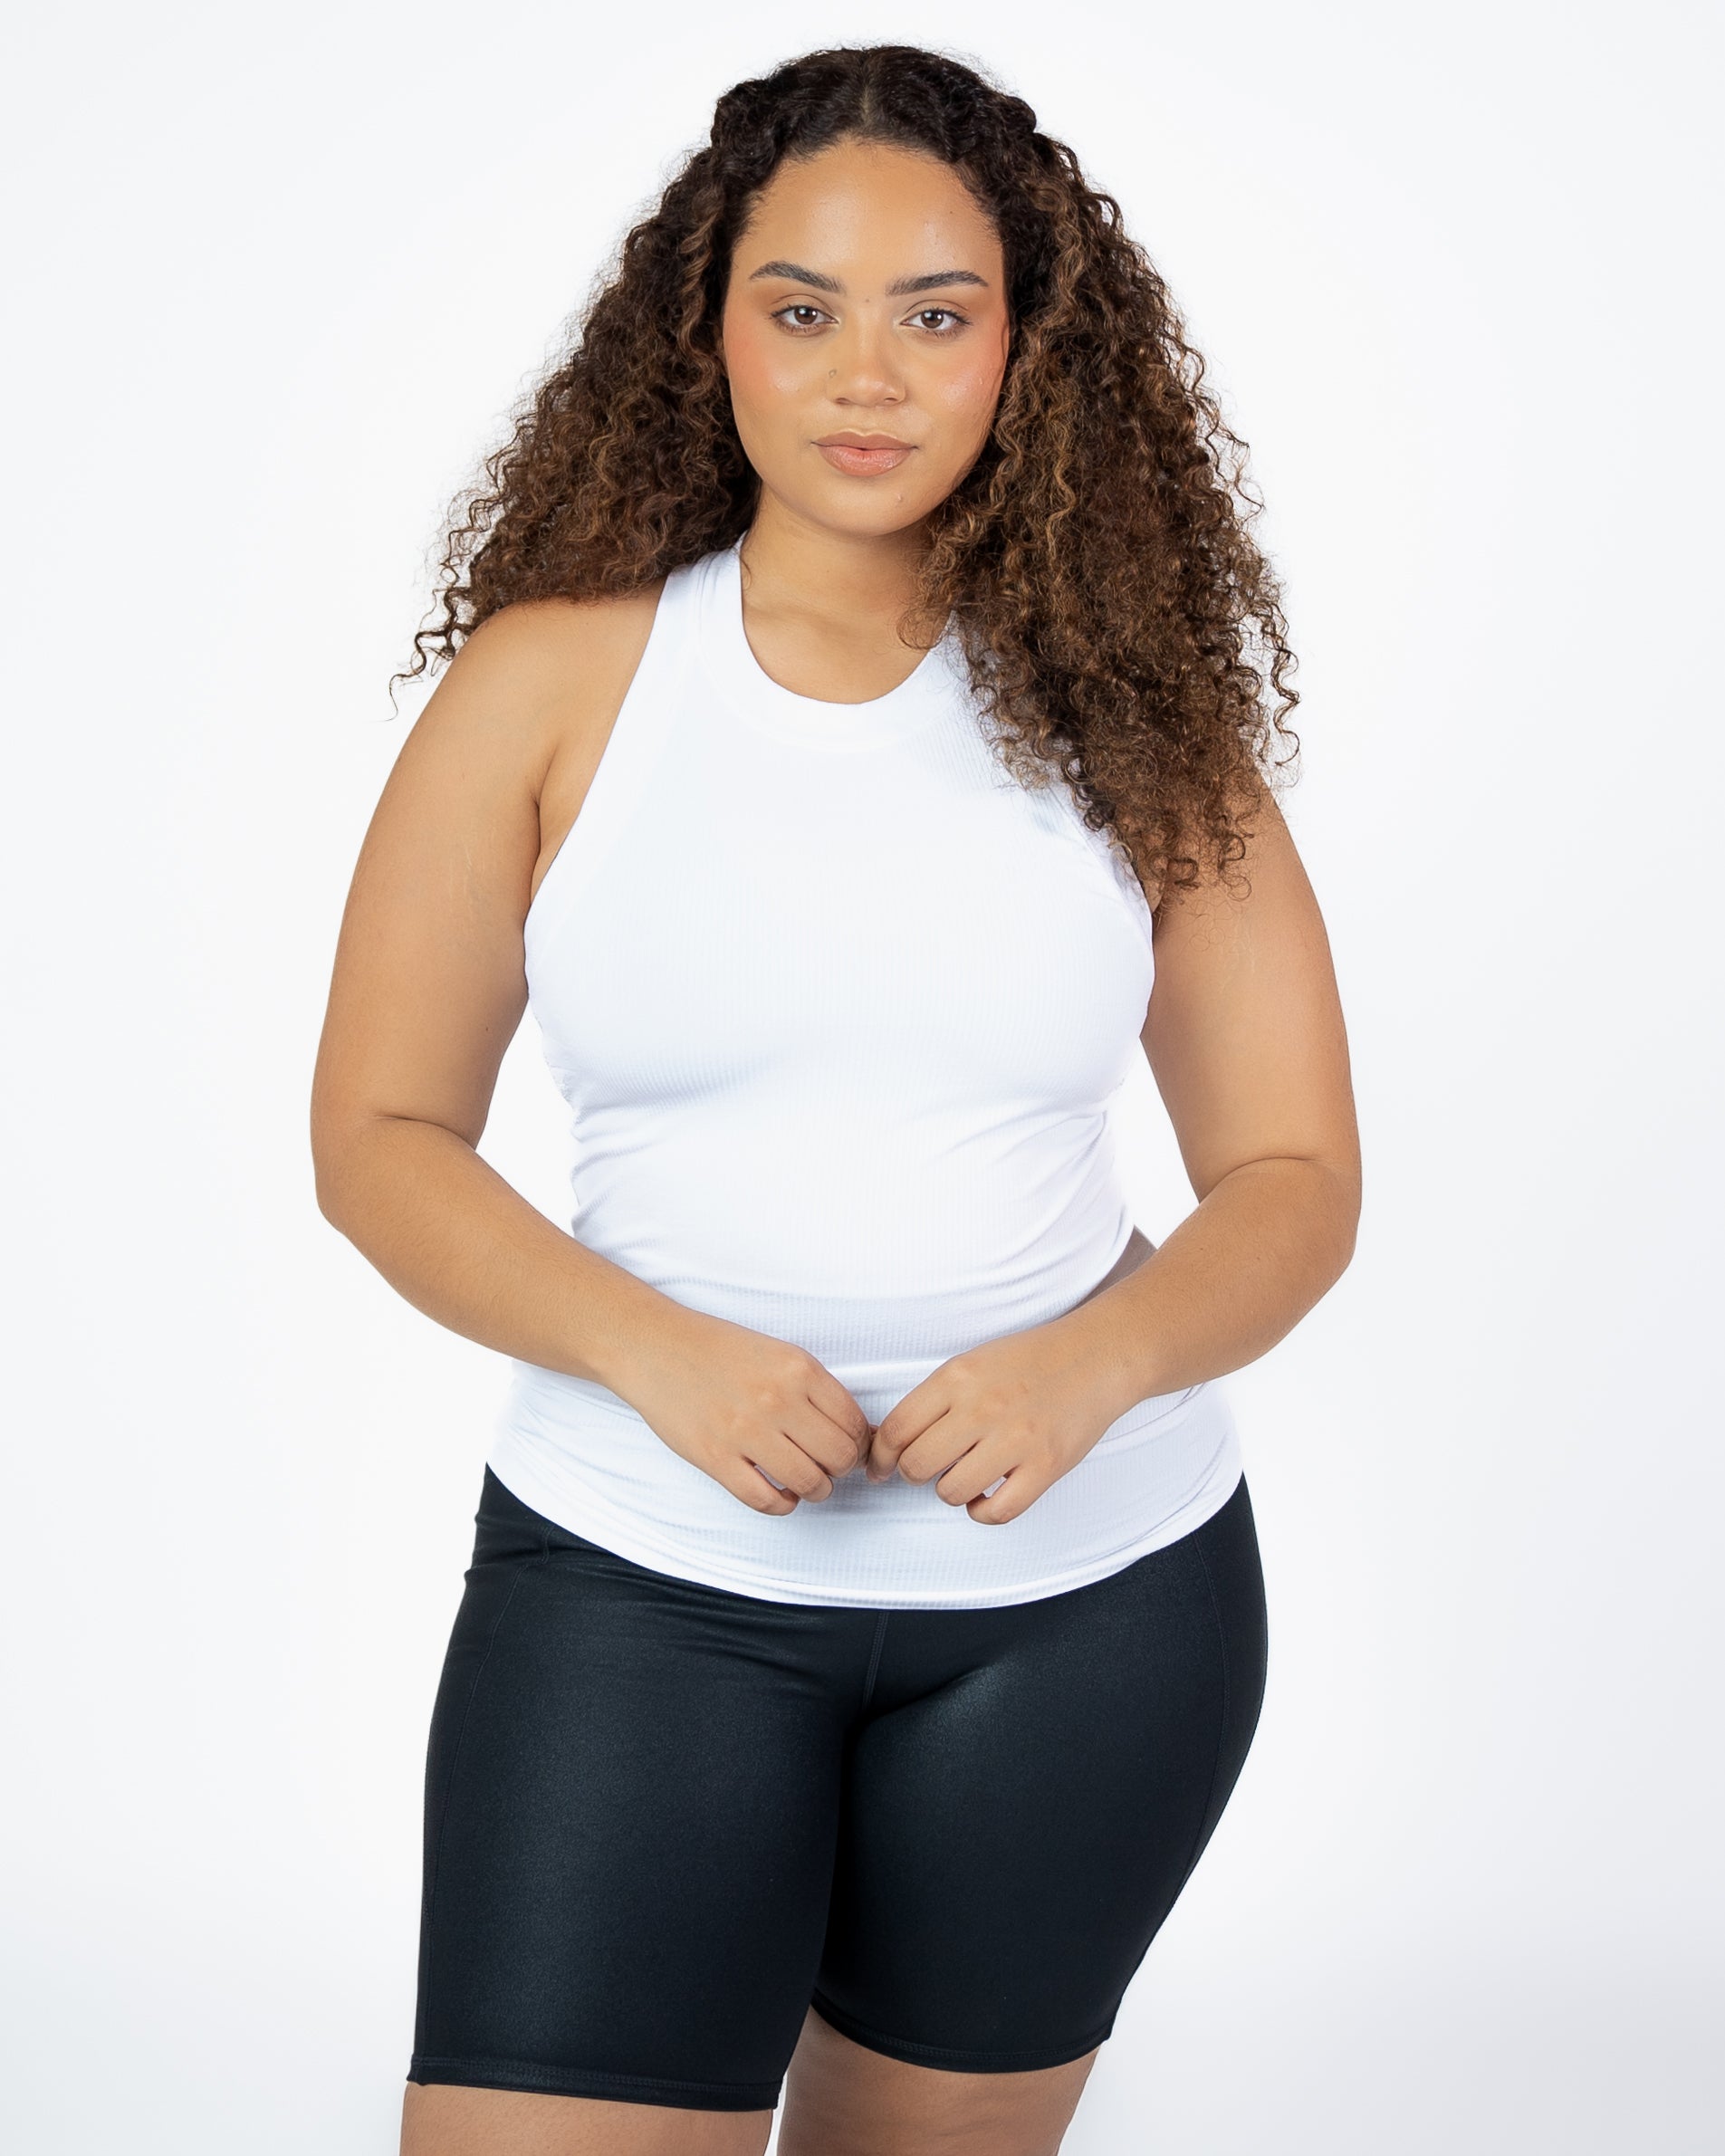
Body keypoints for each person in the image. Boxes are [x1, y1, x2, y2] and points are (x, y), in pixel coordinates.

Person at [311, 41, 1360, 2156]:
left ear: (1024, 350)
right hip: (635, 1579)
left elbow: (1290, 1171)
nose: (863, 375)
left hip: (1090, 1618)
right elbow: (377, 1139)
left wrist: (1089, 1368)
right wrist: (655, 1352)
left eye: (932, 314)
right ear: (704, 336)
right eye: (800, 309)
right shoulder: (554, 682)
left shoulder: (1136, 721)